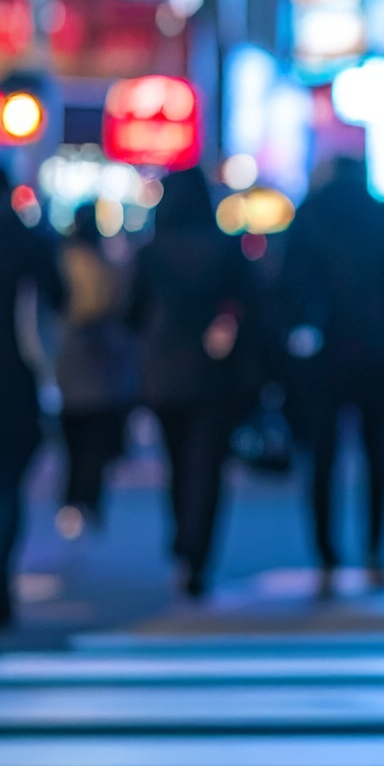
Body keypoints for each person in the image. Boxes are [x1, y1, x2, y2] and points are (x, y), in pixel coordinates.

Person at [280, 155, 384, 588]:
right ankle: (374, 544)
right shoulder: (382, 215)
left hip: (322, 351)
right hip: (377, 349)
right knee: (378, 452)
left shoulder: (308, 215)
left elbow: (287, 286)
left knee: (322, 454)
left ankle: (326, 549)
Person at [128, 168, 259, 597]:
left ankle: (182, 539)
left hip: (163, 372)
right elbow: (253, 303)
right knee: (207, 467)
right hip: (215, 371)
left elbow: (131, 312)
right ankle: (198, 553)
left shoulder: (151, 252)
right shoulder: (225, 249)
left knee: (176, 462)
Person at [0, 166, 63, 630]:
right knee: (8, 485)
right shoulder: (28, 241)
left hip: (9, 378)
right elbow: (59, 298)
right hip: (13, 380)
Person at [55, 203, 137, 533]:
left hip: (73, 363)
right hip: (101, 366)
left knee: (75, 441)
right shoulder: (109, 262)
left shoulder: (62, 259)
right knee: (95, 443)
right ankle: (88, 501)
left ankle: (74, 500)